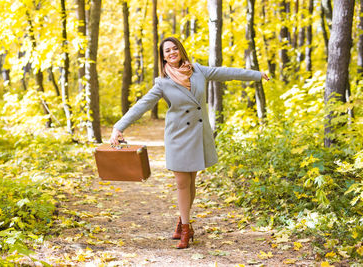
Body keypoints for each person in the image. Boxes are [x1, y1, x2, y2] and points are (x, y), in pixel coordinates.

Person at [110, 36, 270, 249]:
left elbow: (227, 73)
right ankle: (186, 229)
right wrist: (119, 126)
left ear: (180, 50)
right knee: (182, 183)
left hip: (198, 134)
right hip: (177, 136)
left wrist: (257, 75)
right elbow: (142, 105)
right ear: (163, 57)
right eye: (167, 51)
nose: (172, 53)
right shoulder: (162, 82)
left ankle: (182, 219)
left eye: (174, 48)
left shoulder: (198, 71)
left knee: (191, 182)